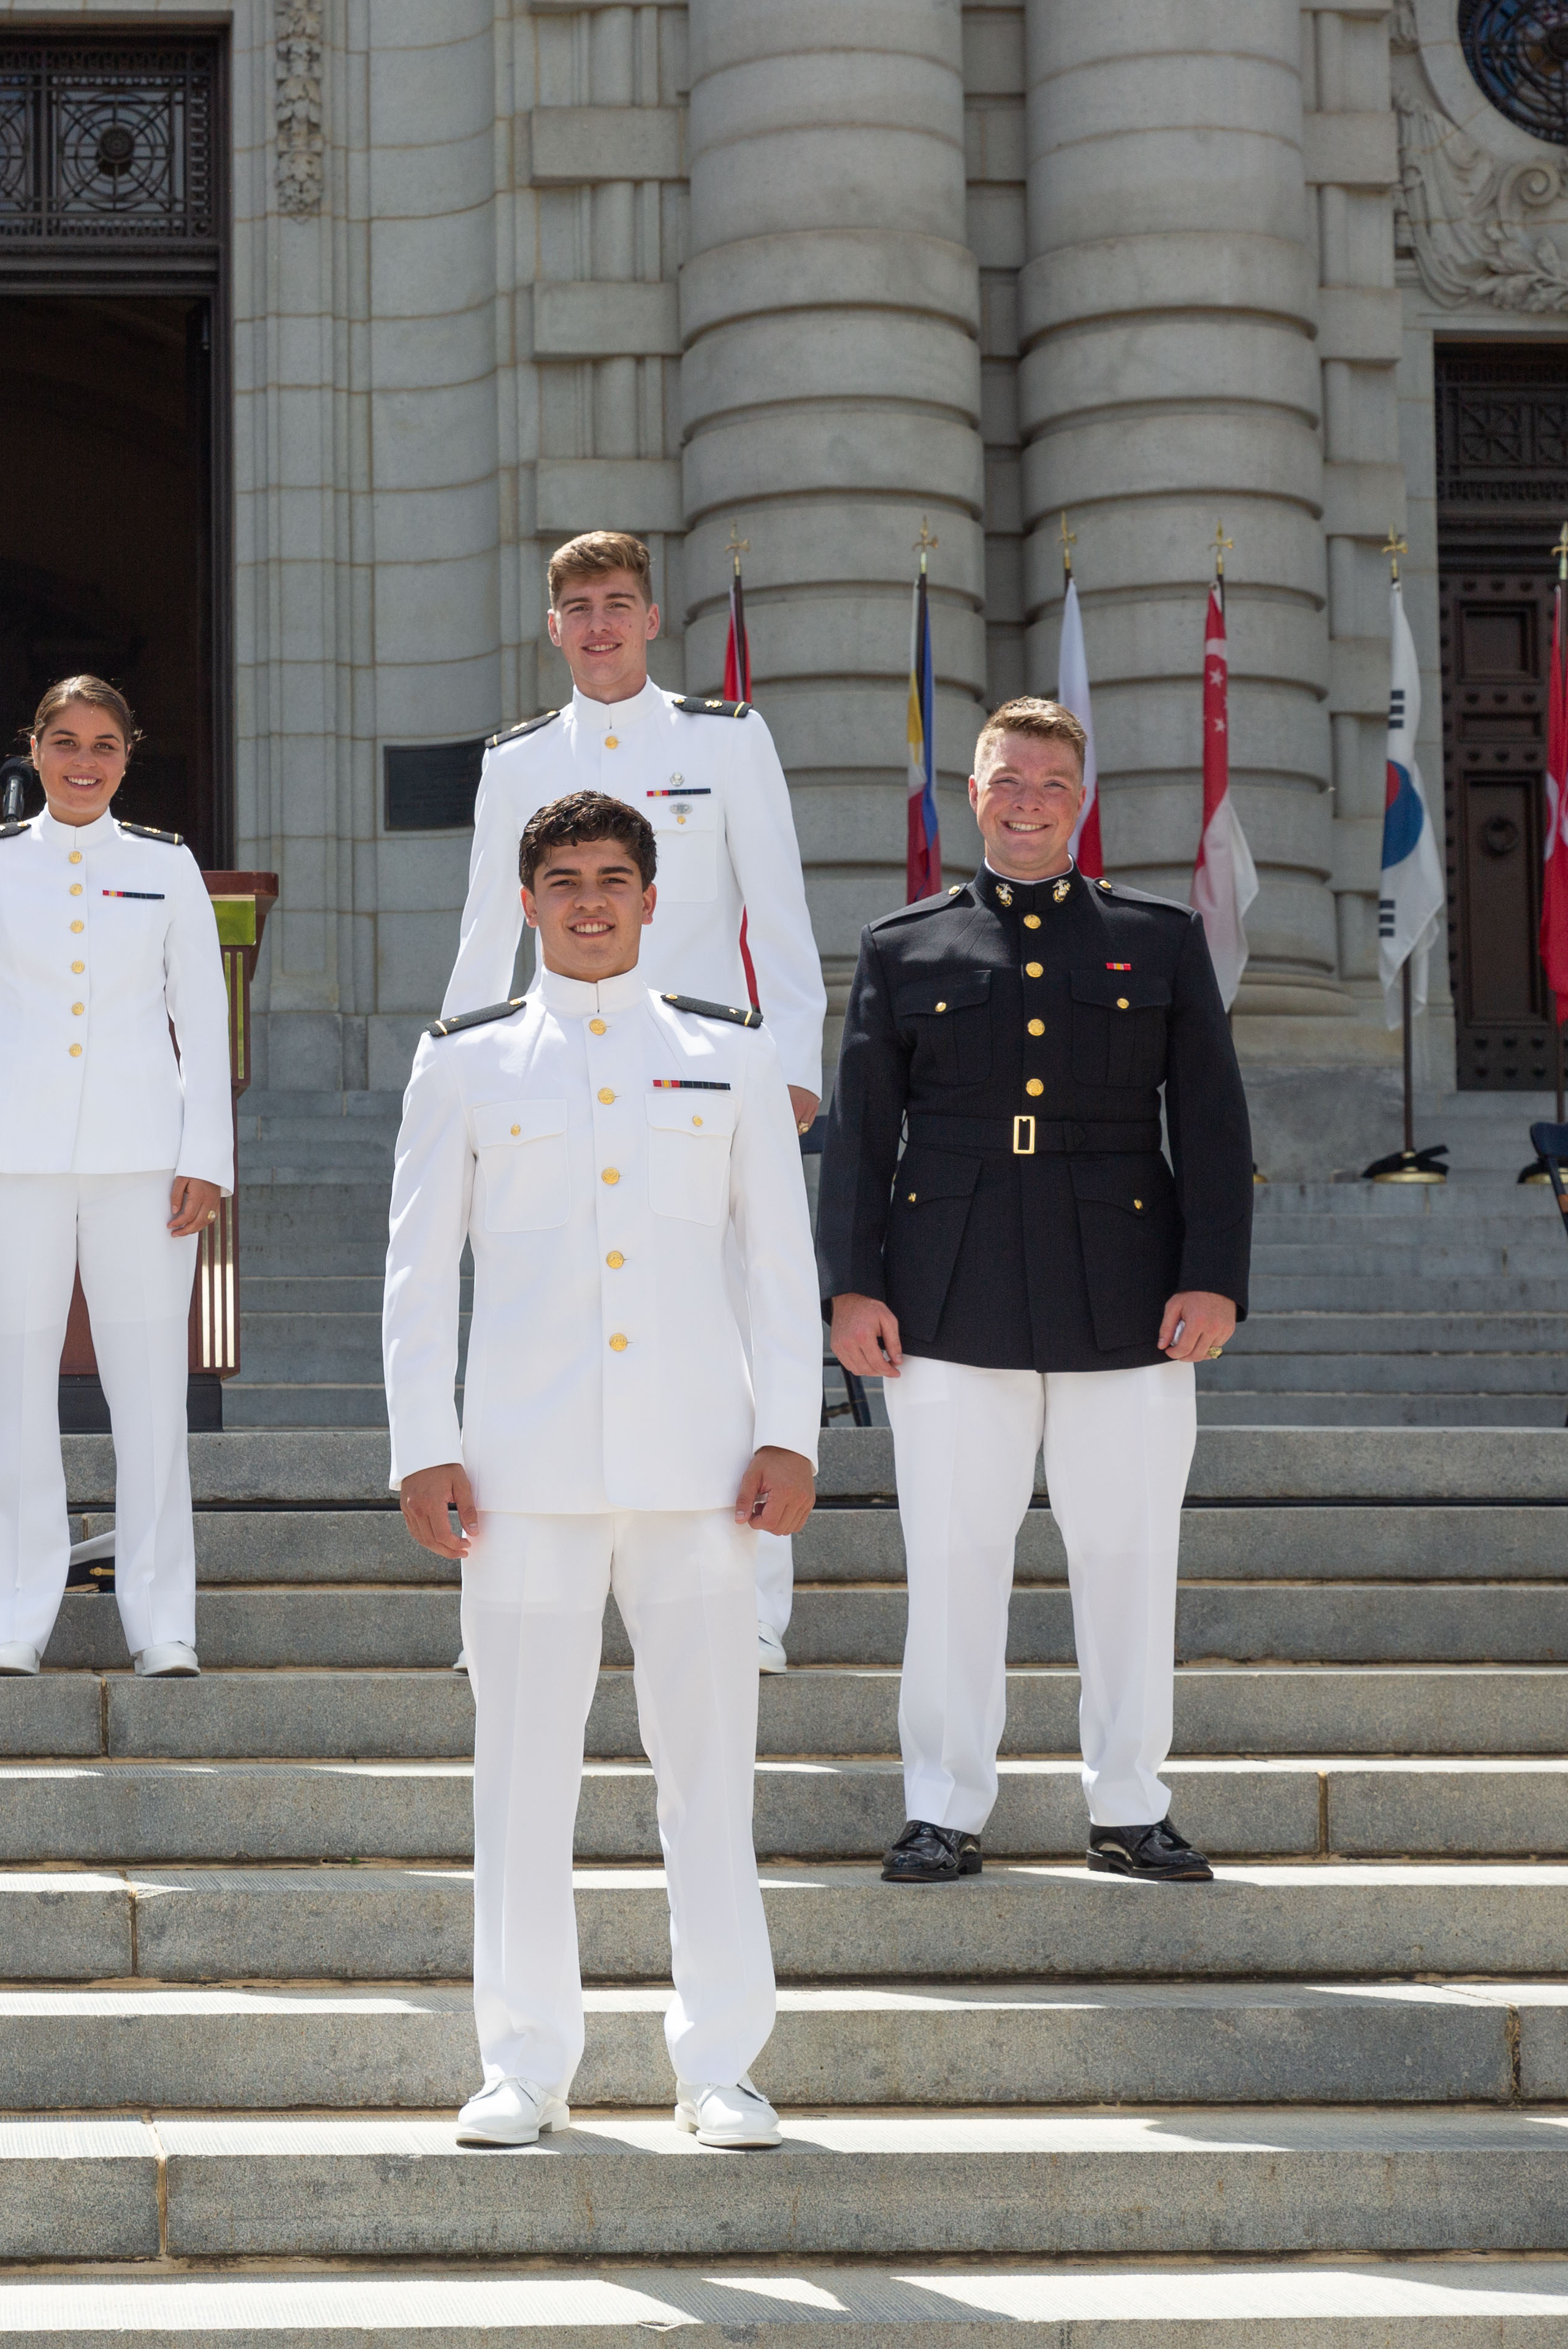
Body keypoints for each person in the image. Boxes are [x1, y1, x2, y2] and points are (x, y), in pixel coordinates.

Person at [385, 789, 820, 2150]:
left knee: (709, 1770)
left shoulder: (728, 1055)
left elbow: (774, 1266)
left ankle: (720, 2060)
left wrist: (791, 1429)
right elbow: (413, 1272)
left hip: (698, 1464)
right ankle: (521, 2056)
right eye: (562, 878)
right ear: (524, 903)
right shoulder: (463, 1061)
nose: (588, 900)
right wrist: (422, 1445)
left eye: (614, 877)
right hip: (518, 1468)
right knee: (520, 1771)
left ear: (649, 896)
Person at [817, 697, 1251, 1890]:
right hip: (947, 1291)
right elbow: (861, 1134)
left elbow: (1210, 1125)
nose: (1026, 801)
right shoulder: (903, 946)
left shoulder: (1155, 941)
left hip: (1128, 1290)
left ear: (1080, 799)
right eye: (1006, 780)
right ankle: (941, 1807)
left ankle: (1127, 1801)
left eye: (1049, 783)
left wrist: (1212, 1275)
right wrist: (850, 1287)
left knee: (1126, 1553)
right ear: (973, 793)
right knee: (952, 1558)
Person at [449, 529, 827, 1676]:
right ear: (552, 627)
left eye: (619, 604)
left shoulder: (724, 739)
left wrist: (797, 1061)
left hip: (702, 1075)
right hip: (552, 1074)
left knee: (736, 1323)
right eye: (579, 608)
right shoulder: (516, 760)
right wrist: (456, 1070)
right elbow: (486, 924)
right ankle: (509, 1594)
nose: (600, 625)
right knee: (536, 1315)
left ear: (651, 619)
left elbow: (779, 906)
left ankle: (751, 1601)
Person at [0, 677, 231, 1679]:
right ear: (34, 749)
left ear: (129, 754)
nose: (83, 761)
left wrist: (206, 1155)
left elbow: (205, 1019)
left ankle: (161, 1621)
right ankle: (10, 1617)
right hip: (9, 1160)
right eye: (64, 741)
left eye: (102, 743)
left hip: (145, 1162)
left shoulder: (165, 864)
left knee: (151, 1401)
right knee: (11, 1394)